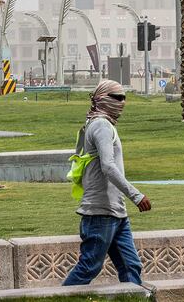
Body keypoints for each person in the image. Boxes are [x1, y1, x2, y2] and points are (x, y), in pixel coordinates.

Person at [63, 80, 151, 286]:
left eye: (123, 97)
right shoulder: (101, 125)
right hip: (100, 213)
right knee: (89, 267)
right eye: (116, 97)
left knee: (131, 266)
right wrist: (136, 196)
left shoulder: (97, 124)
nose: (121, 102)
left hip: (116, 211)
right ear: (100, 99)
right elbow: (108, 166)